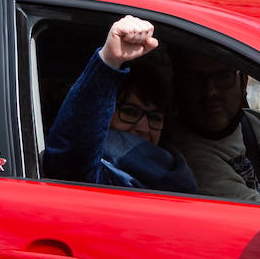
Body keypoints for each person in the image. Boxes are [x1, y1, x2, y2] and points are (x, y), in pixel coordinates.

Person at [43, 15, 198, 193]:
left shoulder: (176, 172)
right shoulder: (100, 173)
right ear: (105, 113)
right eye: (131, 113)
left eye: (155, 118)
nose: (144, 128)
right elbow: (72, 152)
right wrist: (109, 61)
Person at [165, 47, 260, 203]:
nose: (210, 91)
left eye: (222, 77)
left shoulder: (259, 124)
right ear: (180, 88)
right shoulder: (191, 160)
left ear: (244, 82)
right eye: (195, 79)